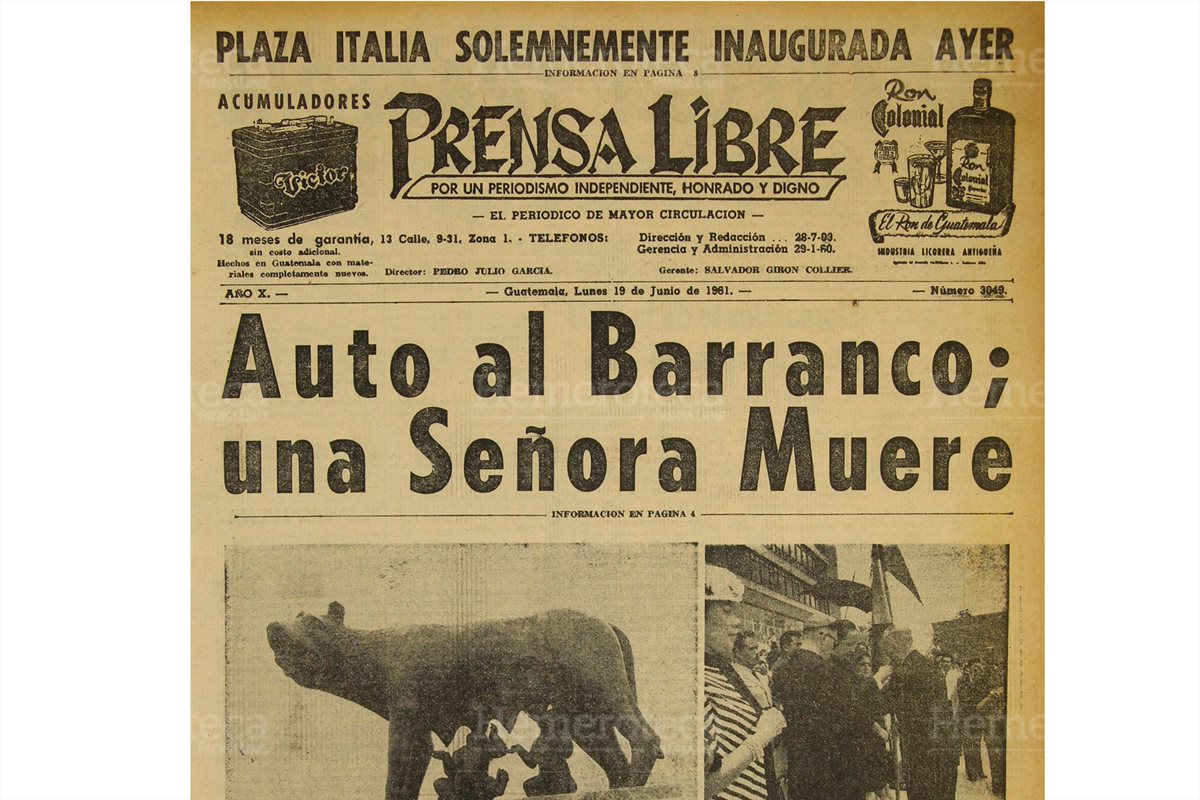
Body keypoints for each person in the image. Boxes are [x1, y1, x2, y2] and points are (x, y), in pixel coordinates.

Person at [704, 566, 788, 800]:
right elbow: (701, 786)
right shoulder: (696, 678)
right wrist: (762, 737)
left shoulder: (723, 669)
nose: (737, 622)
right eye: (726, 610)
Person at [769, 618, 848, 800]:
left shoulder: (783, 667)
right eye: (833, 640)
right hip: (823, 759)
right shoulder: (824, 669)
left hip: (795, 756)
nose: (833, 646)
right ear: (822, 636)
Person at [877, 627, 958, 800]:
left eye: (889, 652)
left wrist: (878, 679)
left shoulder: (903, 673)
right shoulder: (932, 667)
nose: (889, 657)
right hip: (942, 747)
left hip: (919, 751)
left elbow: (878, 704)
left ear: (896, 646)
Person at [955, 660, 988, 783]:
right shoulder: (961, 681)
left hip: (977, 718)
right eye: (974, 669)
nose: (976, 672)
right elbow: (965, 699)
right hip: (965, 717)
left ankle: (979, 770)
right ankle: (971, 773)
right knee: (968, 744)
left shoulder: (981, 683)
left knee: (976, 743)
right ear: (968, 669)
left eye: (979, 670)